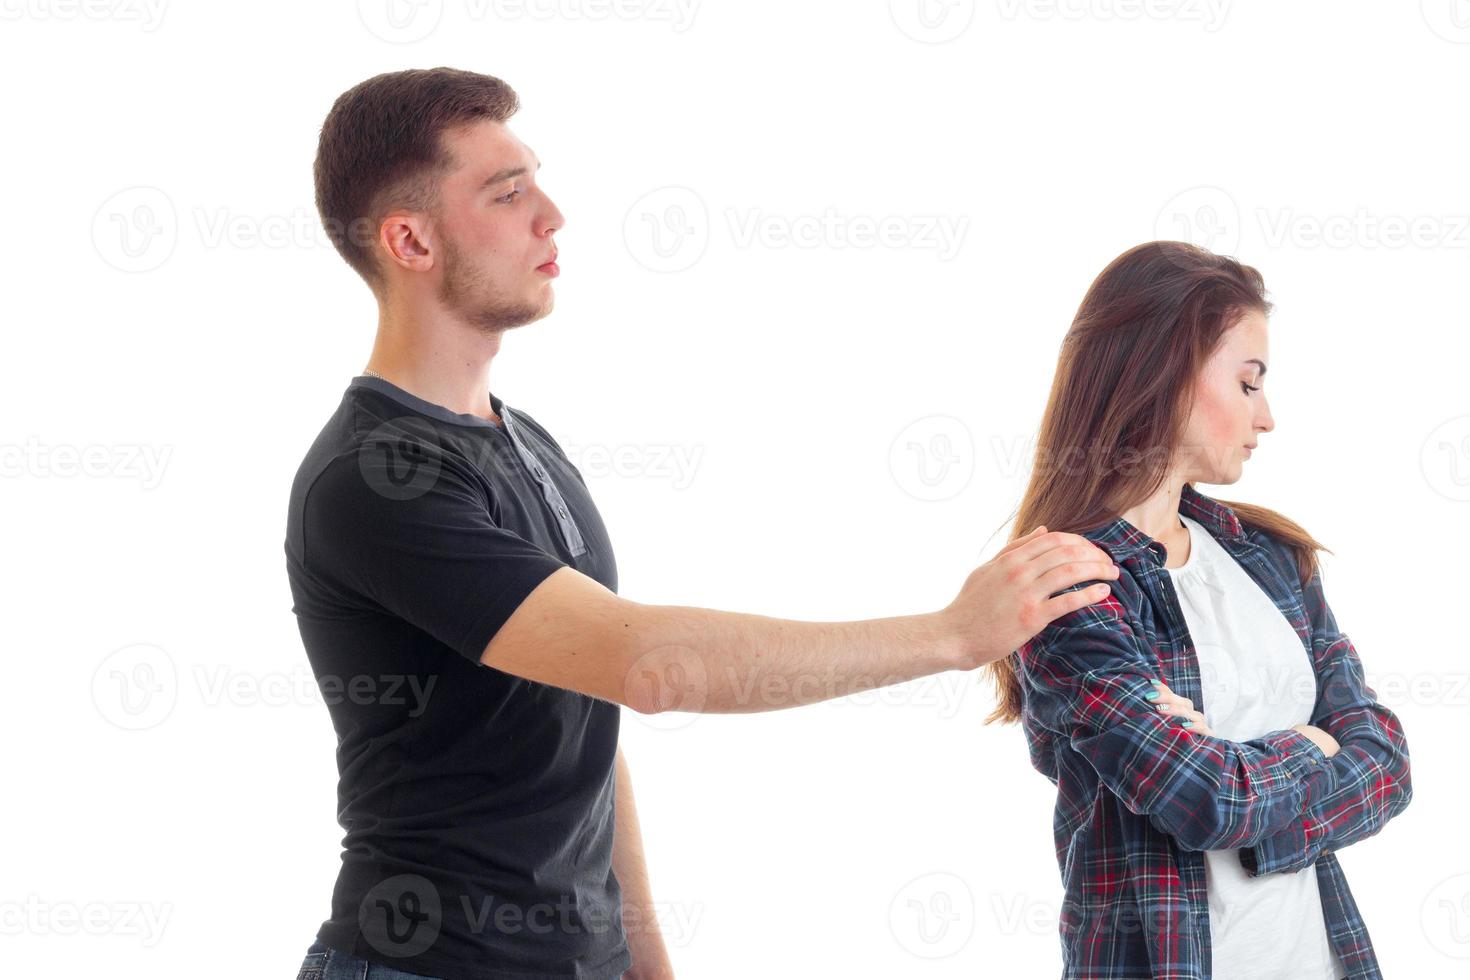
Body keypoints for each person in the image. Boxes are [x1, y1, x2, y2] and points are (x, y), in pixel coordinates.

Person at [284, 67, 1121, 980]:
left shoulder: (520, 438)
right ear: (409, 240)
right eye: (508, 191)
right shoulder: (374, 481)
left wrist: (647, 962)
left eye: (538, 179)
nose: (552, 214)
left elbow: (589, 709)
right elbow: (649, 665)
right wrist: (955, 636)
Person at [983, 241, 1412, 979]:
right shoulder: (1070, 586)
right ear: (1168, 371)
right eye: (1249, 383)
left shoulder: (1272, 557)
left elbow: (1390, 762)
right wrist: (1315, 744)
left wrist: (1249, 781)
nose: (1267, 415)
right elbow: (1207, 799)